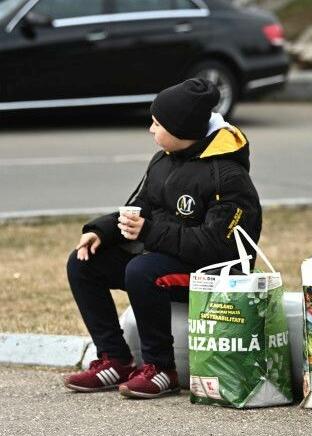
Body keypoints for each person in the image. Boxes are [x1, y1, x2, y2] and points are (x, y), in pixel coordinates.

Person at [64, 78, 262, 399]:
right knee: (84, 262)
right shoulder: (163, 159)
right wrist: (101, 230)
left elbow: (215, 246)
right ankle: (114, 358)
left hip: (214, 274)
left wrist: (149, 232)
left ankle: (161, 369)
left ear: (181, 129)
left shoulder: (227, 176)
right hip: (165, 257)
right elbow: (139, 207)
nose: (150, 130)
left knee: (142, 270)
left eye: (157, 123)